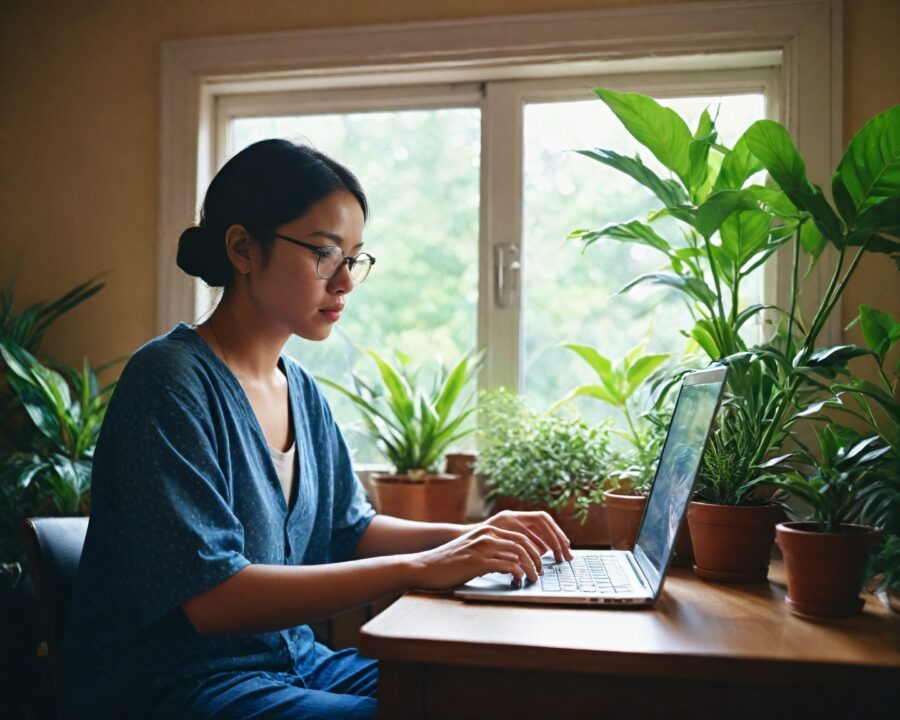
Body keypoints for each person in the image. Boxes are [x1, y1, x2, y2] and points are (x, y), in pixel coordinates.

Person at [61, 139, 573, 720]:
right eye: (326, 254)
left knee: (492, 693)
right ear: (242, 248)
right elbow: (213, 599)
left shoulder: (300, 389)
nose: (346, 281)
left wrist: (475, 536)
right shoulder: (168, 381)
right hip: (180, 686)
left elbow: (349, 529)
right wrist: (422, 567)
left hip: (295, 662)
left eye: (354, 258)